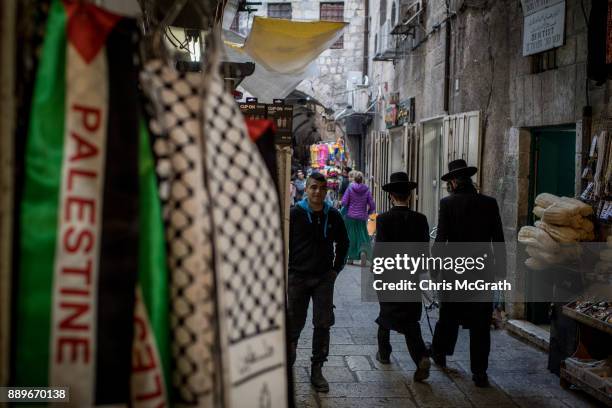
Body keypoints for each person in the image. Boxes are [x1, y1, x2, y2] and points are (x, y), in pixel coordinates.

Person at [430, 159, 506, 388]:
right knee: (481, 324)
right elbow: (499, 240)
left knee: (448, 316)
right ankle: (479, 372)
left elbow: (441, 240)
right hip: (482, 272)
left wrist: (434, 271)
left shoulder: (447, 204)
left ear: (453, 182)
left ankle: (440, 353)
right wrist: (501, 274)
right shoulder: (489, 203)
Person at [288, 172, 349, 393]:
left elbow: (344, 243)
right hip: (298, 277)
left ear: (326, 191)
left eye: (321, 189)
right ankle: (288, 366)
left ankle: (317, 369)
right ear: (306, 188)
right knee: (294, 323)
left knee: (323, 324)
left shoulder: (333, 215)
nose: (317, 192)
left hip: (324, 278)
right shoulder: (294, 215)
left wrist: (335, 269)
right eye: (313, 187)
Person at [374, 172, 431, 382]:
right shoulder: (421, 219)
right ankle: (420, 357)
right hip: (411, 277)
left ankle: (385, 354)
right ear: (410, 196)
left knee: (385, 316)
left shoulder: (384, 220)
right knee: (410, 322)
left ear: (391, 196)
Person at [341, 171, 375, 266]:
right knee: (362, 235)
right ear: (362, 179)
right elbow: (372, 204)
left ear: (355, 179)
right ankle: (362, 252)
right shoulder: (367, 189)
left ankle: (351, 258)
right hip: (362, 217)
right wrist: (369, 212)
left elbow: (344, 202)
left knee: (351, 237)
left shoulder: (350, 188)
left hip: (350, 217)